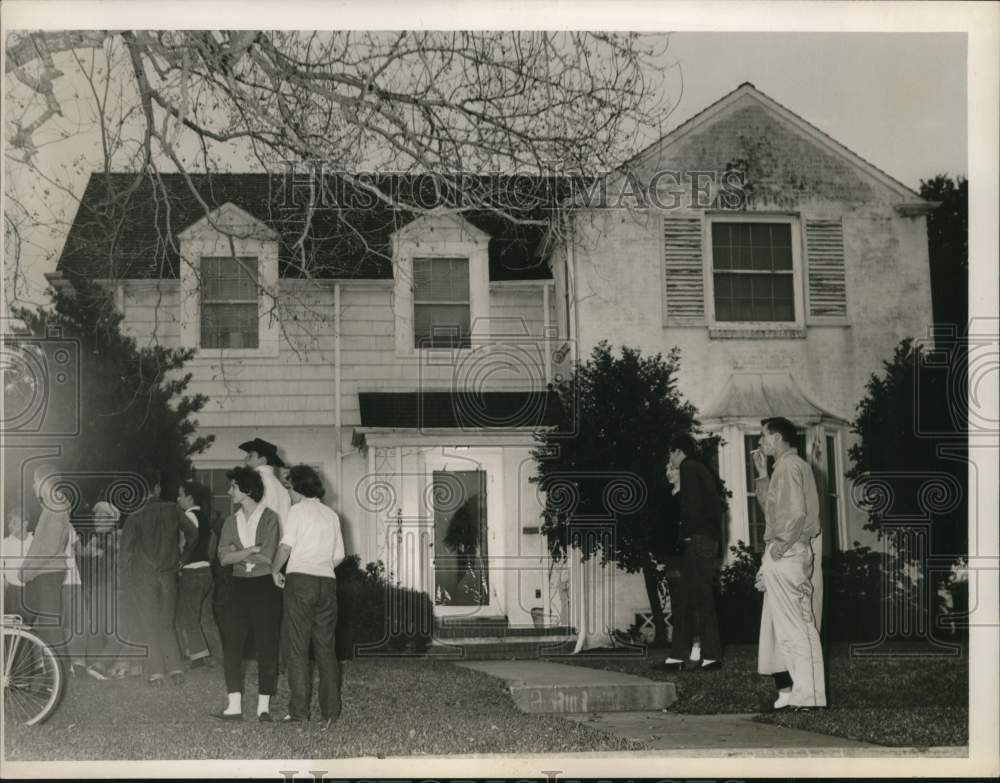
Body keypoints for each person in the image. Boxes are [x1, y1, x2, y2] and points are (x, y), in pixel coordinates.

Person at [752, 416, 826, 711]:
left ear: (777, 438)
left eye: (763, 436)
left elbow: (795, 514)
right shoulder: (789, 467)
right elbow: (774, 513)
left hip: (788, 552)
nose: (760, 442)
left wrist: (780, 546)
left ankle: (807, 697)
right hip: (792, 551)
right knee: (800, 627)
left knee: (794, 630)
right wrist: (761, 475)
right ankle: (807, 696)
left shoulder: (788, 467)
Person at [271, 465, 345, 727]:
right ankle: (331, 712)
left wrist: (274, 570)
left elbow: (285, 547)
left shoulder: (297, 511)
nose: (289, 493)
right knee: (326, 649)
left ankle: (299, 712)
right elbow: (339, 556)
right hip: (327, 583)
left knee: (297, 648)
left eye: (289, 487)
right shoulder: (331, 515)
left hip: (300, 582)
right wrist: (320, 566)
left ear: (298, 488)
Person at [213, 466, 282, 722]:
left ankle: (263, 707)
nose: (229, 491)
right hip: (238, 587)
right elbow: (223, 558)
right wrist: (252, 549)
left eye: (233, 487)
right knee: (232, 646)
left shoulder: (270, 518)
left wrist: (238, 553)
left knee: (266, 645)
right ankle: (234, 707)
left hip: (264, 588)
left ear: (247, 489)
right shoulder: (231, 521)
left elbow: (268, 556)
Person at [119, 468, 198, 686]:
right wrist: (183, 557)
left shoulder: (134, 515)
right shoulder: (173, 509)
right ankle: (176, 669)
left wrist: (125, 583)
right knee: (167, 624)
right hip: (169, 576)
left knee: (149, 624)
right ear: (158, 488)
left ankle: (156, 673)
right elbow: (193, 534)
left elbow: (125, 553)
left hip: (144, 578)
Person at [661, 435, 724, 672]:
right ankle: (679, 657)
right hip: (706, 540)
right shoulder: (701, 469)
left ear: (678, 451)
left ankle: (710, 657)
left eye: (670, 453)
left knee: (699, 600)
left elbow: (691, 506)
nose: (670, 459)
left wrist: (685, 535)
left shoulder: (688, 467)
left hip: (698, 540)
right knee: (690, 599)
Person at [19, 464, 75, 658]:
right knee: (22, 621)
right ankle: (25, 667)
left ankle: (62, 672)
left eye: (35, 481)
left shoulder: (56, 506)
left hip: (47, 574)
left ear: (44, 481)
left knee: (51, 628)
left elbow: (50, 548)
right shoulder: (51, 506)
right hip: (44, 573)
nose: (33, 486)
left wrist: (28, 571)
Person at [175, 480, 222, 668]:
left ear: (190, 498)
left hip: (192, 572)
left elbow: (185, 544)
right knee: (206, 617)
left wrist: (181, 560)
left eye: (180, 495)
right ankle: (219, 656)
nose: (177, 499)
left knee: (189, 616)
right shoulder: (203, 516)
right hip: (206, 571)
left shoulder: (187, 516)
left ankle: (198, 656)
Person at [238, 438, 291, 530]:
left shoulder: (255, 482)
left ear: (262, 460)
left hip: (261, 536)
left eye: (250, 456)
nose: (245, 459)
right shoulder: (280, 487)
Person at [2, 505, 33, 618]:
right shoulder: (5, 543)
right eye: (9, 522)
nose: (10, 526)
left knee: (28, 624)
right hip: (12, 591)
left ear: (25, 524)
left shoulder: (34, 541)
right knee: (11, 622)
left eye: (14, 522)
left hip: (31, 590)